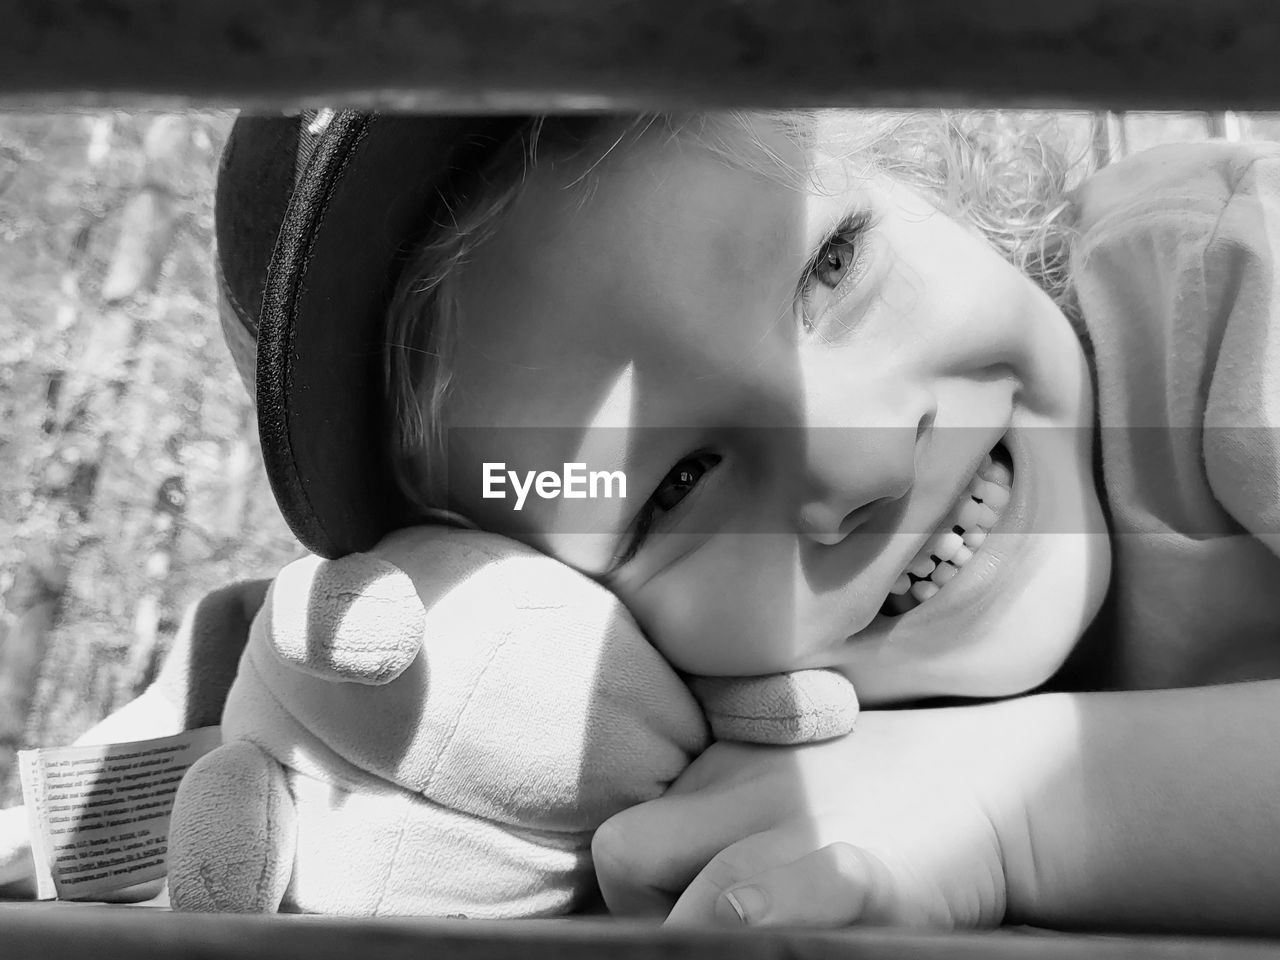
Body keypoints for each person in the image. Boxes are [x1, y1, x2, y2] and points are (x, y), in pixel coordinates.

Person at [216, 108, 1280, 935]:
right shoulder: (683, 758)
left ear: (930, 182)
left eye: (834, 264)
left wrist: (1015, 804)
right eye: (672, 486)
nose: (862, 461)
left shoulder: (1222, 272)